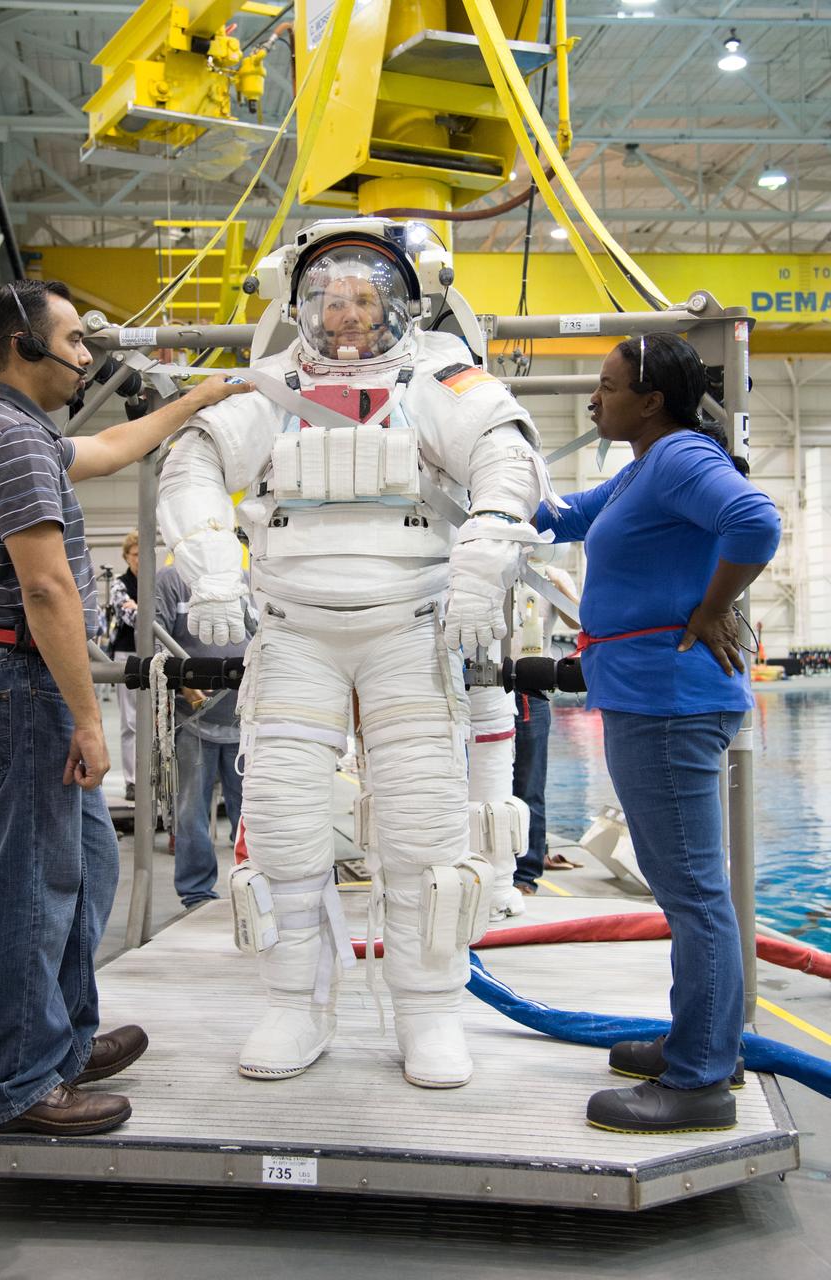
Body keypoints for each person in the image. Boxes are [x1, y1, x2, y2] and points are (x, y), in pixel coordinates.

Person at [158, 218, 557, 1088]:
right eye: (328, 297)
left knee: (421, 829)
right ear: (301, 304)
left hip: (409, 629)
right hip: (295, 632)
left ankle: (428, 1014)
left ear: (400, 302)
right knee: (285, 826)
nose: (344, 314)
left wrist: (487, 551)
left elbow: (506, 455)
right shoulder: (270, 388)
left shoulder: (439, 378)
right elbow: (190, 465)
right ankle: (294, 1004)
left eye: (362, 296)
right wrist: (213, 572)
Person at [0, 277, 251, 1135]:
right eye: (74, 341)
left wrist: (201, 398)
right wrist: (84, 717)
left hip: (13, 677)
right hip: (19, 683)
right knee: (31, 886)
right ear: (18, 347)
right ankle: (18, 1083)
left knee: (84, 866)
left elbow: (112, 448)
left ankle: (62, 1040)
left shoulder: (17, 431)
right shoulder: (7, 439)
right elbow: (45, 589)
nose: (88, 355)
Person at [534, 332, 780, 1133]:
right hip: (648, 698)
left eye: (607, 387)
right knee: (691, 892)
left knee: (693, 895)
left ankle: (701, 1078)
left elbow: (754, 521)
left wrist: (711, 610)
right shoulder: (639, 468)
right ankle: (699, 1039)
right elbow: (558, 517)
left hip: (669, 702)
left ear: (652, 400)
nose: (594, 399)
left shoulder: (677, 459)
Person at [155, 562, 245, 909]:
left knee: (252, 810)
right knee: (191, 809)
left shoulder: (242, 578)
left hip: (243, 720)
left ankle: (254, 883)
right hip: (193, 720)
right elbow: (153, 636)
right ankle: (197, 893)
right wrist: (187, 686)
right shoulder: (171, 581)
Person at [510, 558, 581, 896]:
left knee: (528, 785)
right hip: (485, 687)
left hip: (531, 689)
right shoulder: (489, 565)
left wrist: (554, 583)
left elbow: (579, 620)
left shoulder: (549, 577)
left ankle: (526, 873)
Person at [110, 530, 139, 801]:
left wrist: (139, 608)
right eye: (135, 554)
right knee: (130, 722)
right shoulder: (119, 585)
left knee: (154, 723)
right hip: (126, 656)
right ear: (126, 556)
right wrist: (145, 611)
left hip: (154, 656)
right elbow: (129, 617)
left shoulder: (158, 582)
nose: (139, 559)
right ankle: (132, 781)